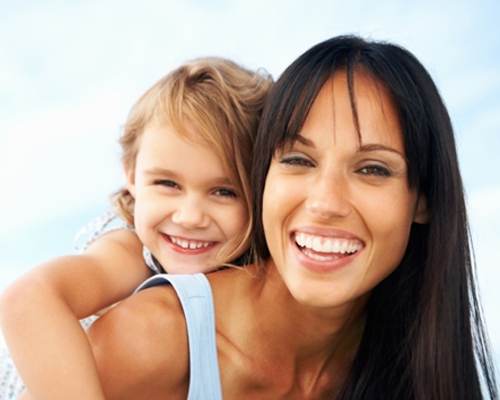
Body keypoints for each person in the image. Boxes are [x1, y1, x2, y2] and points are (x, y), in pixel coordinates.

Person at [87, 35, 498, 399]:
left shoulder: (419, 370)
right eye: (298, 160)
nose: (325, 202)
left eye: (372, 169)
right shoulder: (151, 340)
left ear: (423, 199)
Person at [0, 57, 272, 400]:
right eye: (167, 184)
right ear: (130, 174)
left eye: (224, 192)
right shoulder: (129, 247)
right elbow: (27, 299)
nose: (190, 217)